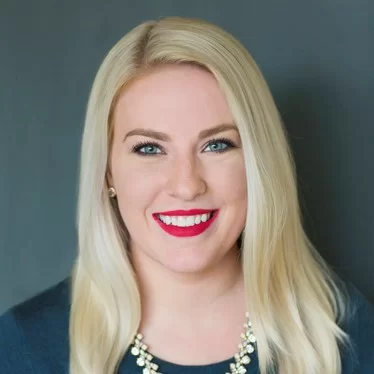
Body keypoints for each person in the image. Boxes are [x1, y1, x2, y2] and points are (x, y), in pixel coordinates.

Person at [0, 16, 373, 374]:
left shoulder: (350, 339)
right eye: (149, 148)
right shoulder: (22, 348)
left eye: (216, 145)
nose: (186, 184)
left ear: (259, 164)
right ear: (108, 171)